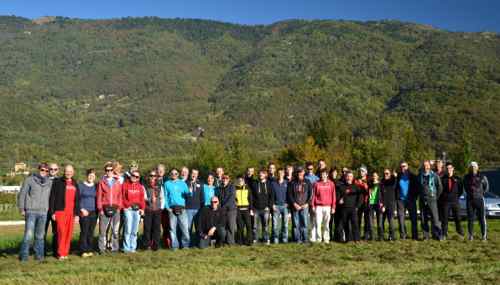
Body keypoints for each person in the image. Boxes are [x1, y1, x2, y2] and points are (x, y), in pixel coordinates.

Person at [17, 163, 53, 262]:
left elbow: (51, 197)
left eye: (46, 171)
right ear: (38, 170)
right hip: (31, 211)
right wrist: (21, 208)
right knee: (28, 235)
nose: (44, 172)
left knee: (40, 236)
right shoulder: (29, 180)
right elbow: (22, 194)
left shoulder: (49, 182)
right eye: (42, 170)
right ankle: (24, 256)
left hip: (43, 212)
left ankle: (39, 256)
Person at [49, 165, 80, 260]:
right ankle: (60, 253)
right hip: (60, 211)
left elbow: (77, 200)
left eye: (70, 171)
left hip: (71, 212)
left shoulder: (75, 183)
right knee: (61, 232)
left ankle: (65, 253)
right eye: (67, 171)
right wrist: (52, 212)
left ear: (73, 172)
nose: (68, 173)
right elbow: (52, 198)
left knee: (68, 233)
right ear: (64, 172)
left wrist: (77, 214)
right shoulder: (58, 182)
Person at [96, 162, 123, 254]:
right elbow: (99, 196)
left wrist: (119, 207)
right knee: (102, 231)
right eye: (107, 170)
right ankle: (101, 249)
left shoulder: (118, 182)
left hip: (116, 209)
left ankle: (114, 248)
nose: (109, 172)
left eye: (111, 170)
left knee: (115, 230)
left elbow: (120, 196)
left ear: (113, 171)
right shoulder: (101, 182)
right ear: (105, 171)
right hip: (104, 209)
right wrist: (100, 209)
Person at [164, 168, 191, 250]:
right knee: (172, 229)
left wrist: (189, 192)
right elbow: (165, 196)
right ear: (170, 175)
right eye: (172, 173)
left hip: (182, 208)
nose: (174, 175)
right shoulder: (167, 183)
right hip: (171, 209)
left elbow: (188, 193)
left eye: (175, 173)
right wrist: (167, 207)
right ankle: (175, 246)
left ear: (178, 174)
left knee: (185, 228)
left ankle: (185, 245)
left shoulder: (182, 183)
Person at [463, 161, 489, 241]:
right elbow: (465, 188)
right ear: (469, 168)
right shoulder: (466, 177)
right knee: (470, 219)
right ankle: (470, 235)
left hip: (480, 200)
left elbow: (486, 187)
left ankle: (484, 235)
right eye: (471, 167)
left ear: (477, 167)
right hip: (470, 200)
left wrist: (480, 194)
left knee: (481, 218)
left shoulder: (482, 177)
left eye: (474, 166)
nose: (473, 168)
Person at [418, 160, 443, 240]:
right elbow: (417, 187)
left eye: (427, 165)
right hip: (422, 200)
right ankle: (426, 236)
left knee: (435, 219)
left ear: (430, 166)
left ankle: (438, 235)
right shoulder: (420, 176)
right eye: (424, 165)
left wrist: (435, 196)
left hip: (432, 199)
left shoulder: (434, 175)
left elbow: (440, 187)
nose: (426, 167)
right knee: (423, 218)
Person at [122, 169, 146, 253]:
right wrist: (129, 205)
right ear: (130, 176)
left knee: (135, 230)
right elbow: (123, 198)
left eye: (137, 177)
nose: (134, 178)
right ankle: (126, 247)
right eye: (133, 176)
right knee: (128, 229)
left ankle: (133, 247)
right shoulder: (125, 185)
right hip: (128, 209)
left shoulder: (140, 187)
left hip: (137, 210)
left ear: (139, 178)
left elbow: (142, 199)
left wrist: (142, 209)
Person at [439, 163, 464, 240]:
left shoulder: (458, 179)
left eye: (450, 168)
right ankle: (444, 234)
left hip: (455, 201)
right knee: (445, 219)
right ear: (446, 170)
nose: (449, 170)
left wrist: (456, 196)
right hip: (446, 202)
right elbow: (440, 190)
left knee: (457, 218)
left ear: (453, 168)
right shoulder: (442, 179)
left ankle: (460, 233)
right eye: (447, 168)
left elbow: (460, 190)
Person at [287, 167, 313, 243]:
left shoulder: (307, 182)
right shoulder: (292, 182)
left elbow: (310, 194)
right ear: (297, 173)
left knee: (304, 223)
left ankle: (305, 238)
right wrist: (294, 204)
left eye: (301, 172)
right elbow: (289, 194)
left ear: (304, 173)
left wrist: (307, 203)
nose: (300, 174)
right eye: (299, 172)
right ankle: (297, 239)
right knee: (296, 224)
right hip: (295, 206)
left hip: (304, 206)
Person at [336, 171, 362, 243]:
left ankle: (357, 239)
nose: (349, 178)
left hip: (353, 209)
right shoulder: (341, 187)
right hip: (344, 209)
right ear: (345, 177)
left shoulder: (356, 187)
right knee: (346, 225)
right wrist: (339, 200)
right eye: (347, 176)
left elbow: (360, 198)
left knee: (355, 224)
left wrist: (357, 207)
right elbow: (337, 197)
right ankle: (348, 239)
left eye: (350, 176)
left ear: (352, 177)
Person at [396, 161, 419, 240]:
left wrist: (415, 197)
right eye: (402, 166)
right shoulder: (398, 176)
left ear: (407, 166)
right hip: (401, 200)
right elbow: (395, 187)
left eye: (404, 166)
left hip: (411, 200)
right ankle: (403, 235)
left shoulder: (413, 176)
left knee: (413, 218)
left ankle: (415, 236)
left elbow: (417, 188)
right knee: (401, 218)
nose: (403, 168)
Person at [311, 170, 336, 243]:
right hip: (318, 206)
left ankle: (326, 238)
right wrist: (313, 205)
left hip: (328, 206)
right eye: (322, 174)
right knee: (318, 223)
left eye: (324, 174)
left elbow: (333, 196)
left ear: (327, 175)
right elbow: (313, 195)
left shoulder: (331, 184)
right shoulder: (316, 184)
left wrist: (333, 207)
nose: (323, 176)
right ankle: (319, 238)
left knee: (326, 224)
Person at [78, 169, 98, 257]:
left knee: (91, 232)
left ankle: (90, 249)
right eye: (90, 175)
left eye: (93, 176)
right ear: (87, 176)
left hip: (93, 212)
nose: (91, 177)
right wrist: (82, 209)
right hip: (84, 212)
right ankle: (83, 250)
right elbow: (77, 199)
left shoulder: (96, 186)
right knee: (84, 231)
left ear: (95, 177)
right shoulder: (81, 185)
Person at [143, 170, 164, 251]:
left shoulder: (160, 186)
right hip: (148, 209)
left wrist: (161, 208)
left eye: (154, 176)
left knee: (157, 228)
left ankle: (156, 245)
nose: (153, 177)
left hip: (157, 210)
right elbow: (144, 198)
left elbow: (162, 198)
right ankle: (146, 245)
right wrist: (149, 199)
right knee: (147, 228)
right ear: (149, 177)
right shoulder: (145, 186)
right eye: (151, 175)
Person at [250, 170, 272, 244]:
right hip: (256, 208)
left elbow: (271, 197)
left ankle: (265, 239)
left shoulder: (269, 184)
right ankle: (255, 239)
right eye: (259, 174)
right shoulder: (255, 184)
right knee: (255, 226)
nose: (260, 175)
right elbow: (251, 197)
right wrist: (252, 208)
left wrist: (269, 206)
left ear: (265, 175)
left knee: (265, 226)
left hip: (266, 209)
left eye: (262, 174)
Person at [217, 175, 237, 245]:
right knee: (223, 226)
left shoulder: (232, 187)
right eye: (223, 178)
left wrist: (224, 206)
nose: (225, 179)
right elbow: (219, 198)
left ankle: (230, 242)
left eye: (226, 178)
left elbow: (231, 198)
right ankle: (224, 241)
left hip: (231, 210)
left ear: (229, 179)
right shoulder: (219, 188)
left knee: (231, 226)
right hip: (222, 210)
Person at [185, 168, 204, 247]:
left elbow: (202, 197)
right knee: (188, 228)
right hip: (188, 209)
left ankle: (197, 243)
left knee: (198, 227)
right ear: (190, 174)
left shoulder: (201, 184)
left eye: (195, 173)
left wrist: (202, 208)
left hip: (198, 209)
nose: (194, 175)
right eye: (193, 173)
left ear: (197, 175)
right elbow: (183, 196)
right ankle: (188, 244)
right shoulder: (186, 183)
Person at [270, 168, 289, 244]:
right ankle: (276, 239)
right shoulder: (273, 184)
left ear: (284, 174)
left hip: (285, 206)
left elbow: (289, 194)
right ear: (277, 174)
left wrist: (288, 203)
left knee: (285, 224)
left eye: (282, 173)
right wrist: (272, 204)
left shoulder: (287, 183)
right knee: (275, 224)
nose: (280, 174)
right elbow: (271, 196)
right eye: (279, 173)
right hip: (276, 206)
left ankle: (284, 239)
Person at [45, 162, 59, 257]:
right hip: (45, 209)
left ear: (58, 170)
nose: (53, 171)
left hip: (56, 210)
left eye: (55, 169)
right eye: (51, 169)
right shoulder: (43, 179)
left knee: (56, 232)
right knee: (42, 232)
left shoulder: (60, 181)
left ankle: (55, 251)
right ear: (48, 170)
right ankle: (42, 252)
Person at [380, 169, 397, 241]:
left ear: (390, 174)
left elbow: (395, 182)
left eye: (387, 173)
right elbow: (380, 194)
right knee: (381, 222)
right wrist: (382, 204)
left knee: (391, 221)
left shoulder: (392, 182)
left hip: (391, 204)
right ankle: (381, 236)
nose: (385, 175)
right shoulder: (382, 182)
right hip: (383, 204)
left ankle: (392, 236)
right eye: (384, 173)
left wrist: (395, 177)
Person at [235, 176, 252, 245]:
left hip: (246, 209)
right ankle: (240, 241)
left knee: (248, 225)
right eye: (239, 180)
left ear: (244, 181)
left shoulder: (247, 188)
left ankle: (249, 241)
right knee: (240, 226)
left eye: (241, 180)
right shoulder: (235, 188)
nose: (240, 181)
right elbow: (234, 198)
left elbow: (250, 199)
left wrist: (251, 209)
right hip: (238, 209)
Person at [157, 164, 171, 248]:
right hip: (156, 206)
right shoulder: (153, 179)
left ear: (164, 171)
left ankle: (166, 244)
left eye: (161, 170)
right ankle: (155, 244)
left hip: (166, 207)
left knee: (166, 226)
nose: (160, 171)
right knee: (156, 226)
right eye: (159, 170)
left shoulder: (168, 180)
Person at [367, 172, 383, 241]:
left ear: (378, 177)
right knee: (371, 222)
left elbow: (383, 194)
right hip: (371, 203)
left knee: (379, 222)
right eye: (373, 176)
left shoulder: (381, 184)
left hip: (378, 204)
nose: (374, 177)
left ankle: (380, 237)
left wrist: (382, 202)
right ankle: (372, 237)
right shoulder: (370, 184)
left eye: (375, 176)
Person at [355, 166, 369, 240]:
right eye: (360, 171)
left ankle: (366, 235)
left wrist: (363, 184)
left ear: (366, 172)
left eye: (363, 171)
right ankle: (358, 235)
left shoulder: (369, 180)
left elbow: (368, 190)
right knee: (358, 219)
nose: (361, 172)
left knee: (367, 219)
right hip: (358, 202)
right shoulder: (356, 180)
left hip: (366, 202)